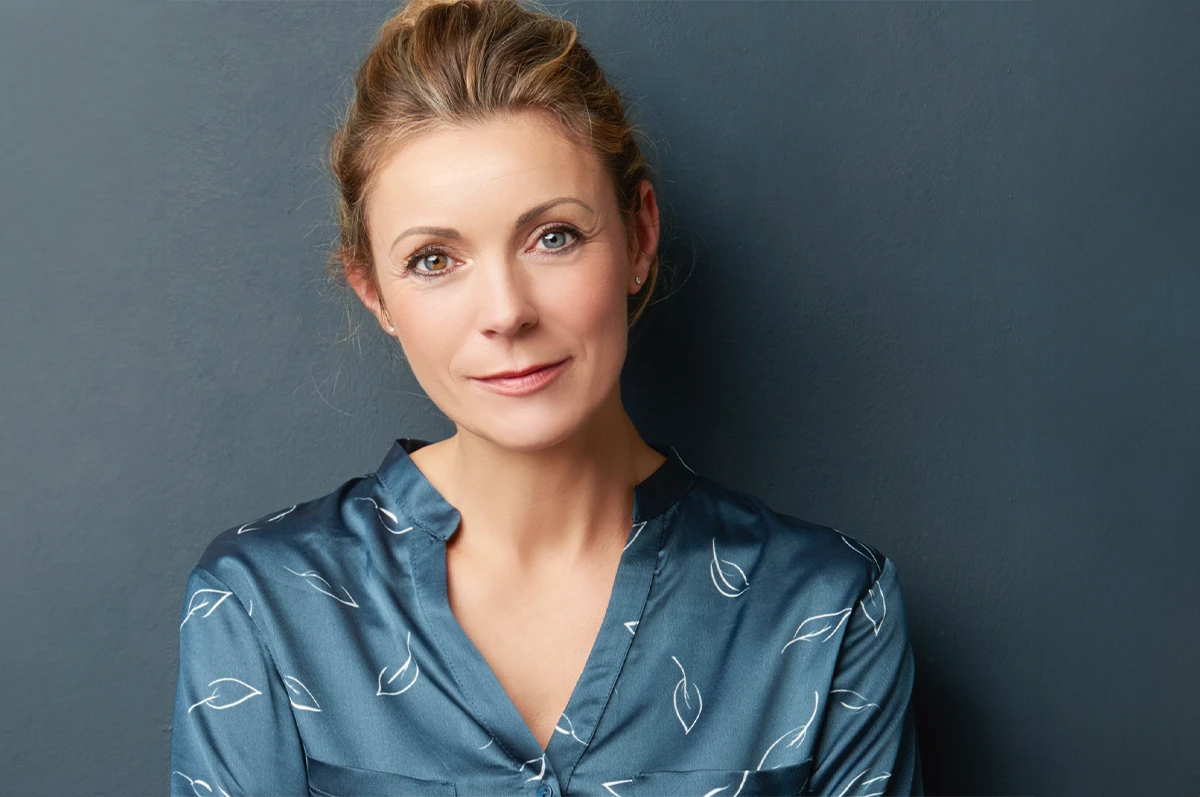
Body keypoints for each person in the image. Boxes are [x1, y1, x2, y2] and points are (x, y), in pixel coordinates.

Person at [168, 0, 924, 794]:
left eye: (553, 237)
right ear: (375, 293)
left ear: (639, 236)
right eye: (434, 259)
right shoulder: (260, 604)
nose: (506, 312)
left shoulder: (828, 609)